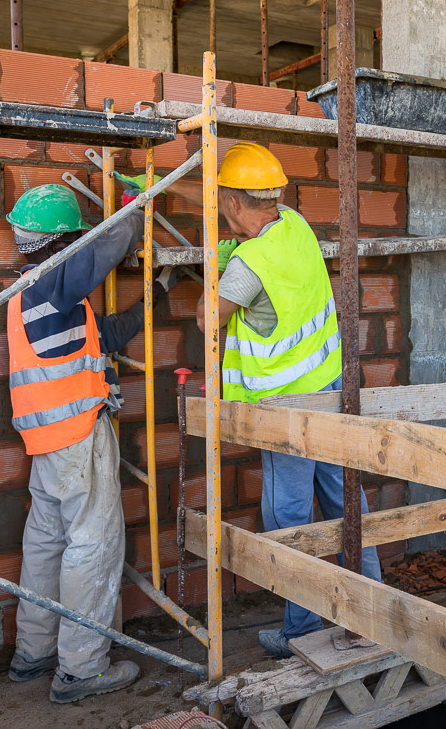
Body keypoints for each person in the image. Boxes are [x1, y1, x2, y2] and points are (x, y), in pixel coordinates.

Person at [162, 142, 384, 658]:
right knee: (345, 498)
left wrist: (213, 276)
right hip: (329, 391)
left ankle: (302, 628)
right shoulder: (295, 223)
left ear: (235, 205)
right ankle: (371, 606)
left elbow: (205, 319)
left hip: (287, 410)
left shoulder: (249, 265)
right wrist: (176, 189)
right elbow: (241, 207)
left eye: (223, 201)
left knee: (287, 515)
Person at [4, 182, 169, 703]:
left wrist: (161, 290)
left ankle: (34, 653)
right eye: (74, 236)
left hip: (48, 445)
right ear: (62, 240)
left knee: (46, 546)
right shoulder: (52, 284)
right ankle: (80, 670)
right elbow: (91, 263)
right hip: (77, 439)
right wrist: (133, 213)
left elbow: (108, 335)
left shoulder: (35, 295)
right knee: (92, 550)